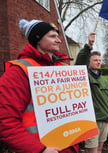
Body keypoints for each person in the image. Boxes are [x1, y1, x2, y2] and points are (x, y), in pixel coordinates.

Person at [0, 19, 79, 153]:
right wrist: (39, 150)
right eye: (52, 36)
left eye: (58, 36)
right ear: (38, 39)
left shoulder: (63, 68)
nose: (59, 40)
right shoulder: (18, 72)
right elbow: (5, 121)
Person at [75, 33, 108, 153]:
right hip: (93, 121)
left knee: (99, 149)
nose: (98, 62)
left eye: (100, 60)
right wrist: (89, 46)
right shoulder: (84, 76)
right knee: (92, 150)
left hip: (105, 119)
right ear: (89, 62)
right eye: (95, 60)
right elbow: (80, 62)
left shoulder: (103, 79)